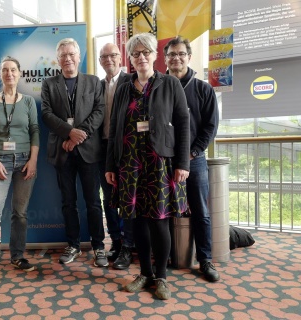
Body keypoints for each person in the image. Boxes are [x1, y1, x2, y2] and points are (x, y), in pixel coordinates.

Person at [105, 33, 190, 300]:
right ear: (129, 59)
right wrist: (111, 165)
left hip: (160, 162)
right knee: (137, 221)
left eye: (146, 52)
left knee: (160, 222)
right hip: (130, 163)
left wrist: (182, 162)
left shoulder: (170, 84)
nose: (141, 57)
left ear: (155, 56)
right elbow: (115, 128)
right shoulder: (123, 89)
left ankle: (162, 277)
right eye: (135, 53)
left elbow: (183, 124)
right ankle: (144, 273)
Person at [41, 38, 108, 267]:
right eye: (63, 55)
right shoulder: (49, 83)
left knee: (93, 202)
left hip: (88, 151)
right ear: (57, 59)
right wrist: (70, 133)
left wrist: (80, 135)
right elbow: (47, 114)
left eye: (71, 54)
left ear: (79, 57)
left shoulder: (93, 82)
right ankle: (73, 245)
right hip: (62, 151)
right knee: (68, 202)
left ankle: (99, 246)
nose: (67, 58)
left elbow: (99, 111)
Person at [0, 56, 39, 282]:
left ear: (19, 74)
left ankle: (17, 256)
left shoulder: (28, 102)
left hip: (24, 162)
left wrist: (33, 160)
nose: (9, 74)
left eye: (13, 70)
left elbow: (34, 131)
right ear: (0, 74)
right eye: (5, 70)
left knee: (19, 213)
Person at [164, 36, 220, 282]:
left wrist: (193, 152)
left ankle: (205, 260)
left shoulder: (203, 89)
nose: (176, 58)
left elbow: (210, 127)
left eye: (181, 54)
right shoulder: (158, 88)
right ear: (165, 59)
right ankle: (164, 256)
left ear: (189, 57)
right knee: (162, 210)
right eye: (171, 54)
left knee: (200, 210)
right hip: (164, 159)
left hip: (194, 159)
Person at [98, 43, 135, 269]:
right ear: (100, 61)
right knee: (109, 198)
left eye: (113, 55)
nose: (109, 59)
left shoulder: (131, 81)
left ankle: (129, 246)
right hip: (103, 148)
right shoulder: (97, 85)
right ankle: (116, 242)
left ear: (121, 58)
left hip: (128, 148)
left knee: (128, 197)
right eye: (104, 56)